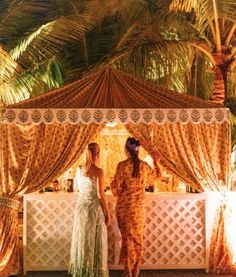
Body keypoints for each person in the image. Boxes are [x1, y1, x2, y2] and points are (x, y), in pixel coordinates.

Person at [110, 137, 160, 277]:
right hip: (139, 208)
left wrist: (112, 182)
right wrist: (156, 162)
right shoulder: (144, 166)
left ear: (126, 150)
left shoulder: (122, 166)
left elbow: (116, 190)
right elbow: (156, 178)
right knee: (137, 239)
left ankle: (128, 271)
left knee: (127, 238)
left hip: (125, 208)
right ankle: (135, 270)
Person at [69, 142, 111, 277]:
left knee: (82, 239)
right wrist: (107, 213)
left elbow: (77, 188)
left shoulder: (78, 169)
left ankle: (82, 271)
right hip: (93, 210)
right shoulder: (99, 171)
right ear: (97, 154)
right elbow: (100, 195)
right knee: (94, 241)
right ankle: (93, 271)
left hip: (81, 208)